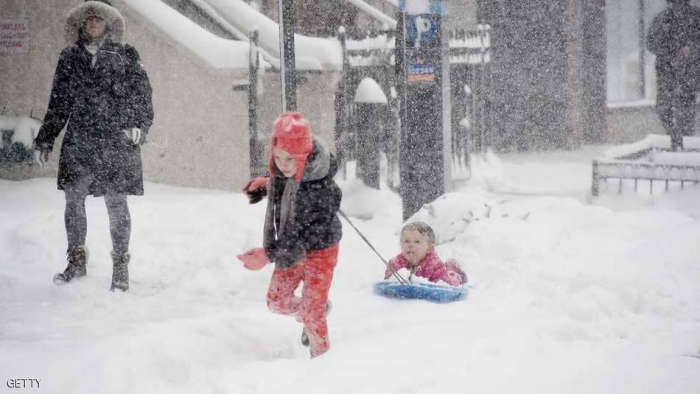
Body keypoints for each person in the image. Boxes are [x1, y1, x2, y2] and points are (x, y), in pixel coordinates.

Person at [33, 0, 154, 292]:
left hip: (116, 139)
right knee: (73, 199)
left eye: (99, 19)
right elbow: (59, 102)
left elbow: (142, 94)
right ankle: (76, 261)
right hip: (80, 139)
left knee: (116, 202)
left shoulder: (126, 53)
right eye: (89, 19)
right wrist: (46, 138)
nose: (94, 24)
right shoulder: (70, 56)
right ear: (81, 23)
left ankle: (121, 266)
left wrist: (140, 124)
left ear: (109, 23)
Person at [237, 112, 343, 358]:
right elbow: (287, 184)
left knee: (312, 313)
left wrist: (268, 254)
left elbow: (303, 236)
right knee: (276, 301)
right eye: (277, 158)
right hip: (291, 250)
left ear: (305, 157)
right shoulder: (287, 171)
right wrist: (267, 184)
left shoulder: (320, 190)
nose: (282, 165)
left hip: (320, 252)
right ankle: (314, 311)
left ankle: (323, 364)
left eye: (289, 159)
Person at [646, 0, 700, 151]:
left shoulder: (692, 18)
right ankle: (679, 141)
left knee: (677, 108)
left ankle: (680, 141)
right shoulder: (665, 18)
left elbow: (651, 43)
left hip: (682, 73)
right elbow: (651, 43)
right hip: (671, 72)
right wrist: (675, 51)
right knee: (673, 108)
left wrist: (690, 51)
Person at [384, 222, 467, 287]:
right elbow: (389, 281)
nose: (410, 245)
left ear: (429, 248)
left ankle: (455, 273)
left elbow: (444, 285)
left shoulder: (435, 265)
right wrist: (390, 271)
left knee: (451, 280)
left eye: (417, 241)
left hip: (447, 279)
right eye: (406, 241)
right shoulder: (397, 262)